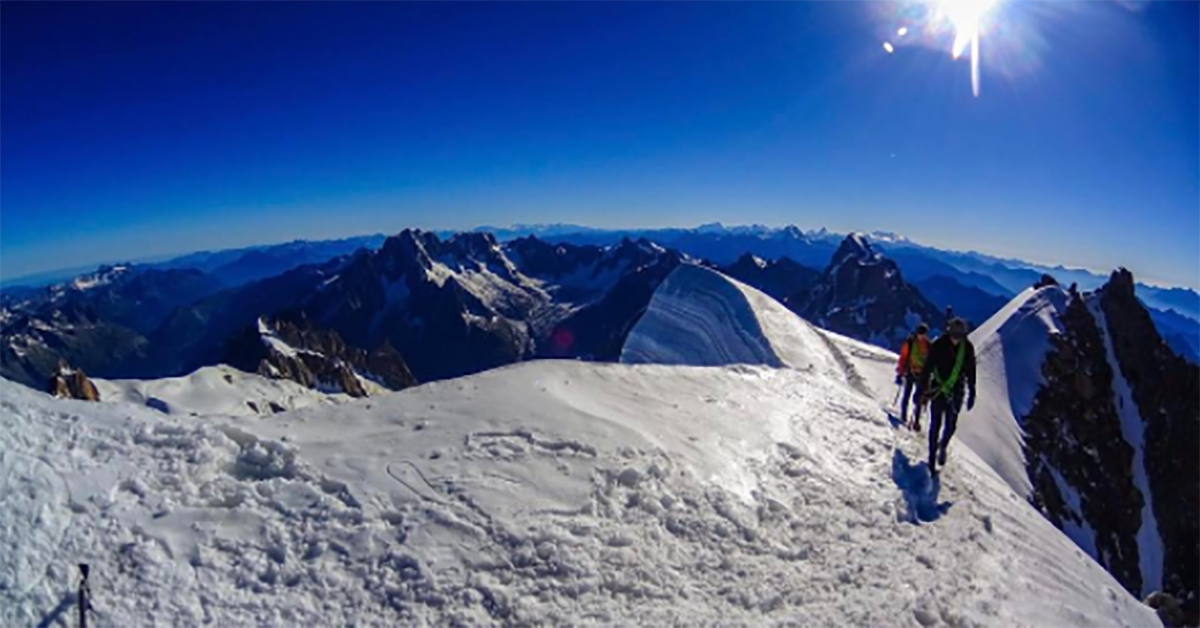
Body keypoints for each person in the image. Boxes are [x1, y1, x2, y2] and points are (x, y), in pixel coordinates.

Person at [918, 318, 977, 475]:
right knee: (935, 424)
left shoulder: (968, 348)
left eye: (959, 335)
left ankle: (942, 445)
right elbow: (928, 367)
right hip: (939, 388)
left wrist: (972, 390)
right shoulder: (939, 345)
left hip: (955, 390)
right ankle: (931, 459)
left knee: (951, 425)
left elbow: (971, 370)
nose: (956, 338)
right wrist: (922, 388)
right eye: (954, 334)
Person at [895, 324, 931, 431]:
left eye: (923, 334)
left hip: (921, 374)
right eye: (920, 333)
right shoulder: (911, 343)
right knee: (908, 394)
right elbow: (903, 357)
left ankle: (915, 421)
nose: (921, 336)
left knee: (918, 398)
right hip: (911, 372)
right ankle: (904, 415)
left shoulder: (925, 345)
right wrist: (900, 372)